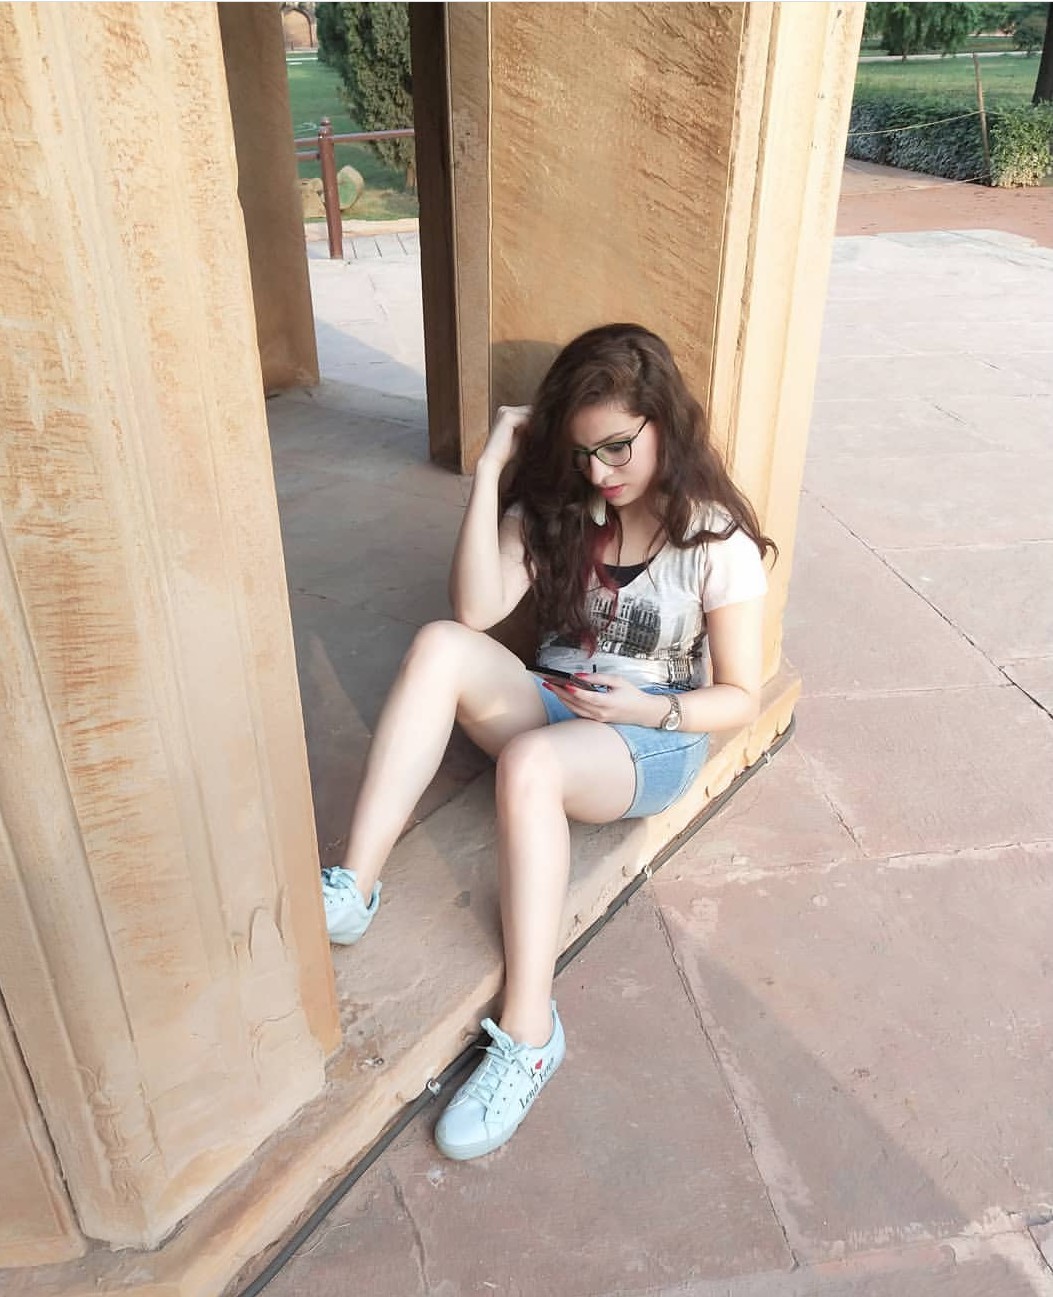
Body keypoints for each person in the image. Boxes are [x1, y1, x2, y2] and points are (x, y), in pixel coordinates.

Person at [319, 322, 775, 1161]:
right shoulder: (560, 513)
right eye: (581, 452)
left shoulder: (713, 540)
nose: (599, 472)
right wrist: (490, 468)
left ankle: (530, 1033)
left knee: (529, 764)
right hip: (553, 705)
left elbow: (740, 696)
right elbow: (473, 609)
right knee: (438, 644)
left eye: (617, 448)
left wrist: (648, 709)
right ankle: (354, 887)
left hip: (647, 738)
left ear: (665, 425)